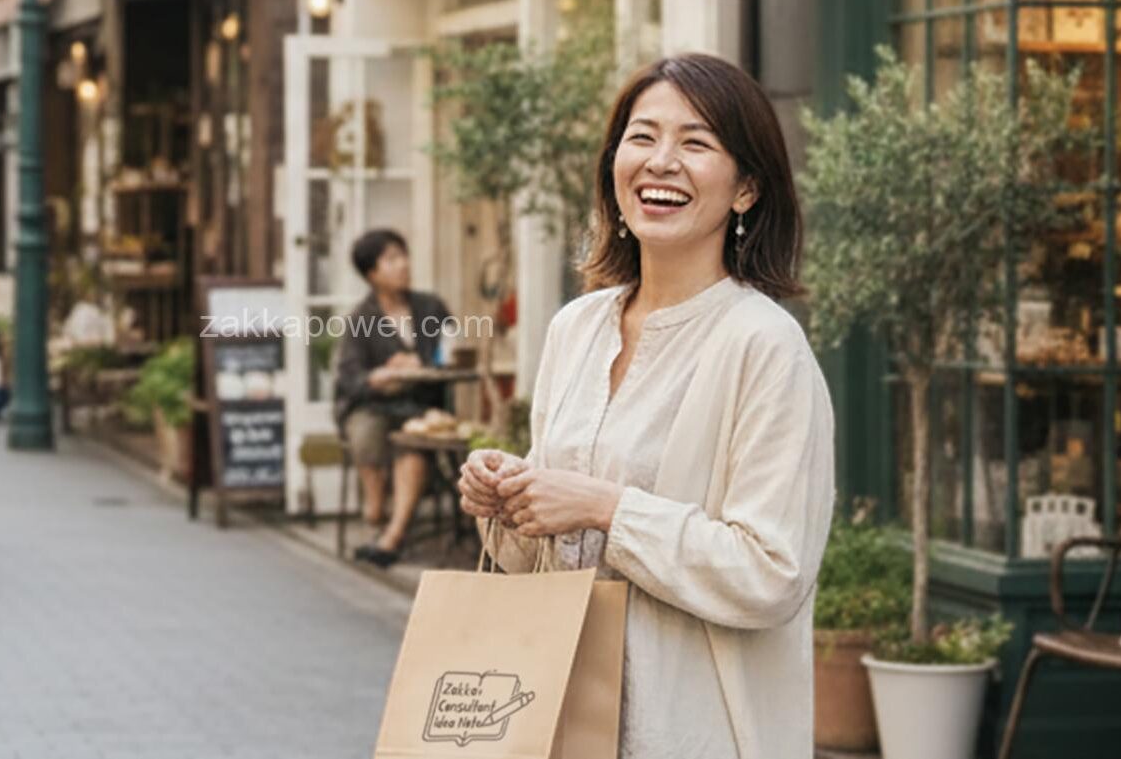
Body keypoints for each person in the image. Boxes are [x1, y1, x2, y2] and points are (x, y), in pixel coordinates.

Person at [457, 54, 835, 758]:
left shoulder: (764, 346)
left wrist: (606, 507)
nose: (662, 162)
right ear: (613, 167)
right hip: (561, 718)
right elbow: (547, 542)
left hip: (690, 728)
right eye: (642, 137)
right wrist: (508, 497)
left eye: (695, 143)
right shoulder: (578, 327)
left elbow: (772, 573)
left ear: (747, 188)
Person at [332, 228, 453, 569]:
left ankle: (392, 536)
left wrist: (420, 364)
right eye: (392, 259)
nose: (403, 265)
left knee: (413, 445)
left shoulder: (430, 307)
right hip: (373, 404)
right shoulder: (360, 319)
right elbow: (350, 379)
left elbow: (450, 354)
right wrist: (382, 374)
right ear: (372, 273)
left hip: (419, 405)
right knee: (366, 430)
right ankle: (375, 508)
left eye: (404, 256)